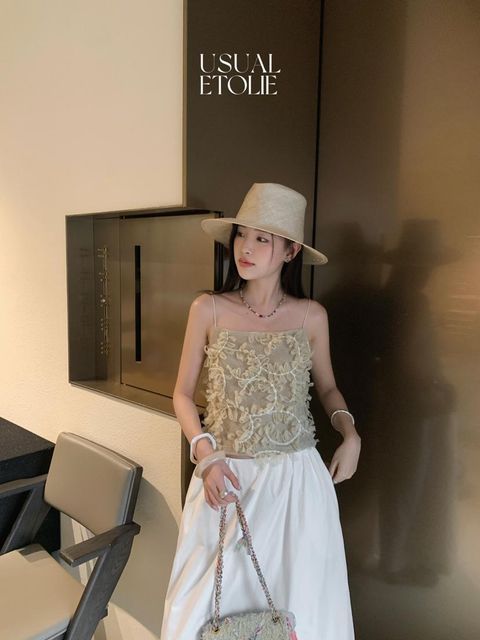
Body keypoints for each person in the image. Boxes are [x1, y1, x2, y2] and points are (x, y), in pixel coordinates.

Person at [160, 182, 360, 639]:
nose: (245, 248)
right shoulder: (208, 309)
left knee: (301, 605)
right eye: (241, 235)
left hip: (296, 485)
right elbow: (182, 394)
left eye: (262, 239)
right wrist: (207, 455)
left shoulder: (311, 316)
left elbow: (328, 388)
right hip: (224, 477)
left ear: (291, 251)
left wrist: (350, 435)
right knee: (201, 608)